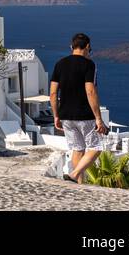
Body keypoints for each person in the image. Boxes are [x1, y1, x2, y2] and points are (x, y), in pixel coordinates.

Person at [50, 32, 108, 183]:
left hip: (65, 115)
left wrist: (56, 115)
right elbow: (90, 91)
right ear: (88, 47)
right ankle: (75, 174)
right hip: (84, 114)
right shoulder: (89, 64)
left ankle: (78, 184)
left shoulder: (60, 64)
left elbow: (53, 93)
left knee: (78, 148)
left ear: (71, 46)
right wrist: (98, 118)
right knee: (96, 146)